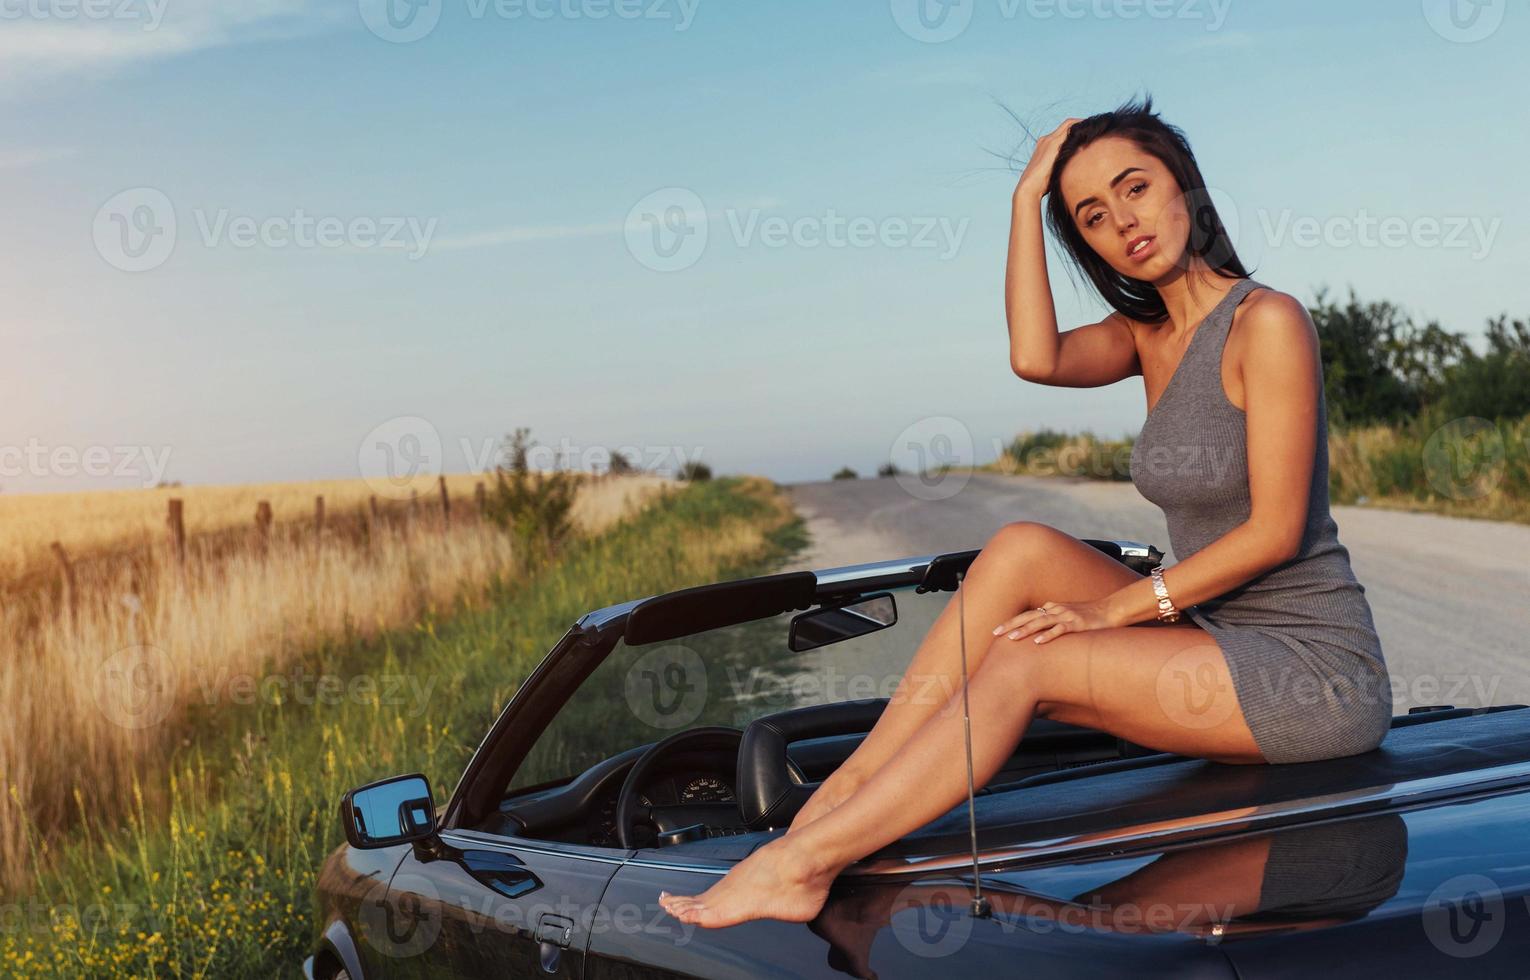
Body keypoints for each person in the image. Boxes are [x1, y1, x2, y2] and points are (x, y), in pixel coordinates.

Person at [658, 94, 1393, 929]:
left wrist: (1108, 610)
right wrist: (1022, 201)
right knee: (1018, 549)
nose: (1123, 220)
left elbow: (1275, 532)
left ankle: (802, 862)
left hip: (1311, 672)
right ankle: (846, 793)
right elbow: (1033, 357)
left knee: (1029, 661)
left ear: (1183, 186)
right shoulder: (1145, 337)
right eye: (1091, 213)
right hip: (1216, 642)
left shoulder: (1268, 323)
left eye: (1135, 187)